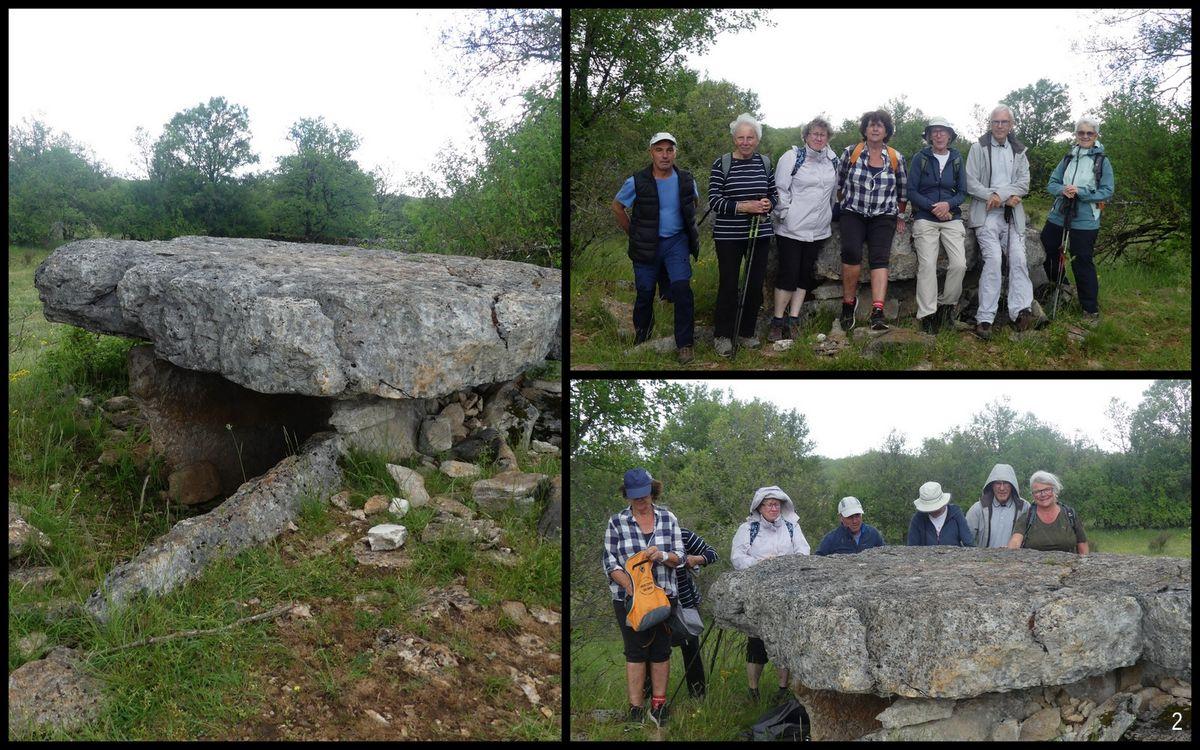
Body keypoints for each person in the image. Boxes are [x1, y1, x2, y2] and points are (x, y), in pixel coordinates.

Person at [602, 468, 685, 727]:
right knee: (635, 652)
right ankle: (636, 710)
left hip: (663, 597)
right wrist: (631, 586)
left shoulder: (668, 518)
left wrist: (660, 555)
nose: (641, 501)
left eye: (644, 495)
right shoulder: (617, 522)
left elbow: (680, 557)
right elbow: (609, 561)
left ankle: (659, 707)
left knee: (661, 651)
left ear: (652, 491)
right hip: (628, 600)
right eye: (635, 496)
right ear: (627, 495)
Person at [612, 132, 702, 364]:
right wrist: (633, 234)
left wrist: (687, 228)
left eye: (669, 150)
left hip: (676, 243)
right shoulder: (636, 181)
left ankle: (685, 344)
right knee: (644, 292)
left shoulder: (686, 179)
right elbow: (618, 206)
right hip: (646, 245)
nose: (665, 155)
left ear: (675, 153)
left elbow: (694, 202)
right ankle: (642, 338)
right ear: (651, 152)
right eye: (659, 150)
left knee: (682, 289)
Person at [730, 486, 810, 701]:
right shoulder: (748, 529)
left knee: (785, 639)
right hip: (757, 593)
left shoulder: (792, 527)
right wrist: (759, 564)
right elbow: (737, 557)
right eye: (769, 504)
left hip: (788, 591)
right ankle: (753, 690)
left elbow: (804, 552)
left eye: (777, 504)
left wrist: (785, 564)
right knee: (756, 640)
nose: (774, 508)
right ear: (760, 507)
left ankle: (782, 690)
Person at [708, 113, 778, 356]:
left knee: (754, 284)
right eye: (741, 138)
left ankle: (746, 332)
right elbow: (714, 201)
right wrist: (743, 207)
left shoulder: (766, 163)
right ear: (734, 139)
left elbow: (774, 194)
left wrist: (769, 204)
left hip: (759, 233)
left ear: (757, 139)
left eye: (750, 138)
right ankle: (723, 335)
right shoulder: (722, 163)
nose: (745, 142)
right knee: (728, 284)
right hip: (728, 235)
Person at [964, 105, 1033, 340]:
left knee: (1019, 259)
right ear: (990, 124)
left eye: (1004, 122)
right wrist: (992, 196)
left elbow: (1024, 183)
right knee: (993, 260)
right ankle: (985, 318)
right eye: (996, 122)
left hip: (1012, 213)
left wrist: (1002, 196)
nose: (1000, 126)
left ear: (1011, 125)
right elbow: (970, 182)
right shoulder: (978, 148)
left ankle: (1020, 311)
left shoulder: (1019, 151)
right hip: (986, 213)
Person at [836, 110, 908, 331]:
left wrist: (900, 216)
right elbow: (839, 185)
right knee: (851, 253)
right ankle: (848, 304)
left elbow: (902, 191)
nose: (875, 129)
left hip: (883, 215)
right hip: (853, 211)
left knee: (880, 258)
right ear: (865, 129)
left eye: (880, 126)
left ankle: (878, 311)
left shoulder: (895, 157)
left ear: (886, 131)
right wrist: (845, 203)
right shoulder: (851, 153)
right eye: (871, 125)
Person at [1040, 116, 1115, 327]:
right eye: (1081, 132)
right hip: (1059, 214)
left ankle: (1089, 310)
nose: (1084, 136)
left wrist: (1081, 192)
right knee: (1048, 249)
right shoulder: (1068, 157)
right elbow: (1052, 184)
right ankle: (1062, 289)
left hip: (1085, 219)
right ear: (1076, 135)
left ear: (1096, 136)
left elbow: (1107, 191)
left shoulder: (1102, 160)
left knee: (1082, 260)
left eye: (1089, 133)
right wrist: (1063, 189)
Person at [770, 117, 838, 341]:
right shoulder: (792, 157)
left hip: (818, 229)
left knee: (804, 274)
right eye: (814, 134)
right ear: (806, 136)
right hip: (791, 228)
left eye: (823, 134)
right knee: (788, 273)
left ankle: (794, 320)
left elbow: (834, 192)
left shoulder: (832, 160)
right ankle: (778, 321)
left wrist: (830, 215)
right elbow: (780, 188)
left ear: (828, 138)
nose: (818, 138)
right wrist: (785, 214)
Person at [907, 117, 968, 334]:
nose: (939, 135)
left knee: (959, 264)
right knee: (927, 266)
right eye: (935, 132)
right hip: (925, 217)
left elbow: (962, 192)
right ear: (929, 136)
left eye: (943, 131)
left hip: (952, 217)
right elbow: (911, 191)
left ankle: (945, 307)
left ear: (950, 135)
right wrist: (934, 207)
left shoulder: (957, 158)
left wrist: (947, 205)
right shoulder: (920, 158)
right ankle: (927, 315)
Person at [642, 526, 718, 700]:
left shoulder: (681, 533)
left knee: (691, 648)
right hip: (650, 604)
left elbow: (712, 553)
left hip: (684, 602)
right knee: (650, 649)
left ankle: (698, 696)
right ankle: (648, 698)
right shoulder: (638, 537)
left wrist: (696, 559)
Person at [1007, 471, 1089, 554]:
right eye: (1037, 492)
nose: (1043, 495)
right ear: (1033, 495)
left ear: (1055, 490)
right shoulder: (1027, 517)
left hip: (1069, 566)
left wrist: (1084, 564)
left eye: (1047, 490)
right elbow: (1015, 541)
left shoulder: (1070, 515)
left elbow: (1082, 545)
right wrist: (1011, 551)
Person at [964, 463, 1030, 548]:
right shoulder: (978, 509)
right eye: (998, 483)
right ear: (991, 485)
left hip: (1016, 560)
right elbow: (966, 541)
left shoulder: (1024, 508)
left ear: (1012, 485)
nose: (1002, 488)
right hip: (984, 560)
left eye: (1006, 483)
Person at [907, 481, 974, 546]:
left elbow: (968, 542)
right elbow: (912, 548)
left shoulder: (956, 514)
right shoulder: (917, 519)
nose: (933, 510)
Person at [815, 496, 885, 555]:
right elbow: (818, 561)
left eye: (857, 515)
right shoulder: (831, 539)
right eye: (850, 517)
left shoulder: (873, 534)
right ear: (841, 517)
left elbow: (884, 554)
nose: (854, 521)